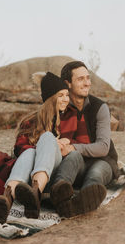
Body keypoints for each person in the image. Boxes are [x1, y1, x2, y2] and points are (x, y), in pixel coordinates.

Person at [0, 72, 70, 223]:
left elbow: (77, 146)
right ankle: (7, 200)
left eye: (67, 95)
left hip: (55, 172)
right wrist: (40, 148)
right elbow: (19, 148)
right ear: (51, 98)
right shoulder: (32, 120)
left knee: (47, 137)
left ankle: (35, 192)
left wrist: (60, 144)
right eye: (61, 95)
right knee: (31, 151)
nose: (66, 99)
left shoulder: (66, 119)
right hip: (28, 174)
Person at [50, 61, 119, 218]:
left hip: (103, 160)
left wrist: (73, 147)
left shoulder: (100, 107)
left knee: (95, 173)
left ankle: (84, 201)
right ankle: (59, 195)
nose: (87, 83)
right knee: (73, 157)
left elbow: (103, 147)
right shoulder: (60, 107)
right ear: (67, 84)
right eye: (80, 79)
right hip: (75, 163)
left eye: (88, 78)